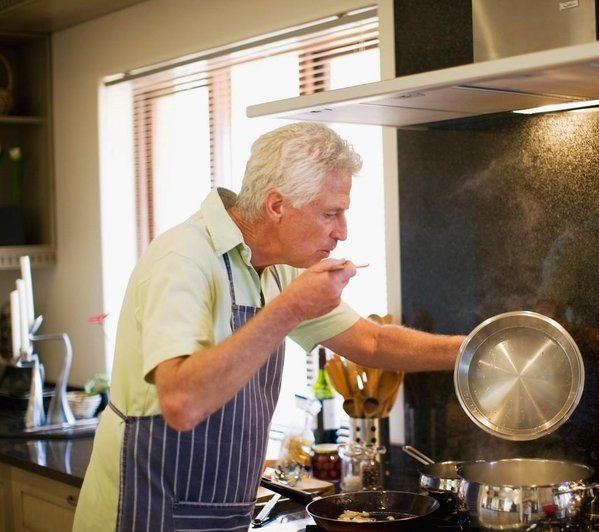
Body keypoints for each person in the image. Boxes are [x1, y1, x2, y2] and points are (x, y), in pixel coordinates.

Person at [73, 122, 464, 531]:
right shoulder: (183, 259)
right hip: (145, 512)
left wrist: (476, 351)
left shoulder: (276, 266)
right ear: (277, 205)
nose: (342, 231)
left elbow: (372, 341)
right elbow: (181, 402)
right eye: (330, 213)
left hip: (223, 513)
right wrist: (290, 309)